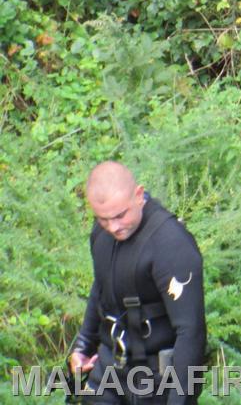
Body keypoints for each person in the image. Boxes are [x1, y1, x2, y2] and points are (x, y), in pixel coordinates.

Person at [69, 162, 206, 404]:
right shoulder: (102, 234)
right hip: (109, 368)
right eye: (103, 219)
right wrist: (82, 348)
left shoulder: (171, 244)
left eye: (120, 215)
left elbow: (191, 332)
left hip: (156, 379)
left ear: (139, 195)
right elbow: (101, 290)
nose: (114, 227)